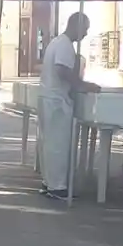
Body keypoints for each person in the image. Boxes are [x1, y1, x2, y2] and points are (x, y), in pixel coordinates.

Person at [37, 12, 99, 200]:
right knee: (58, 144)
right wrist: (82, 85)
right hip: (56, 100)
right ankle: (57, 186)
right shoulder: (64, 45)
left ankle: (49, 182)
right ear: (75, 25)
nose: (85, 33)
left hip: (49, 97)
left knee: (48, 143)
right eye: (85, 29)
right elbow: (62, 70)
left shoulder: (57, 42)